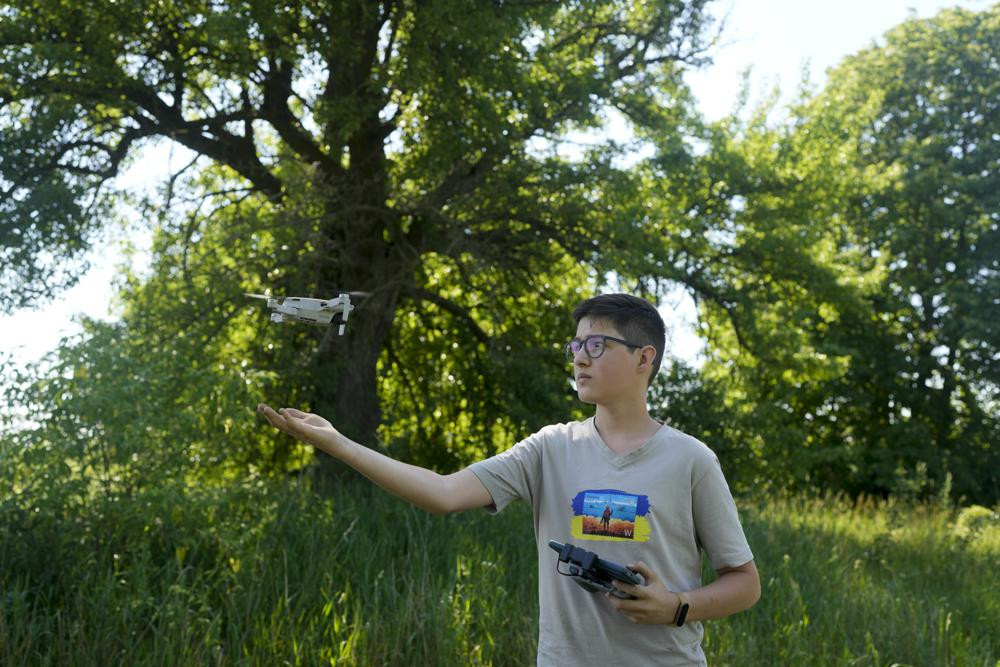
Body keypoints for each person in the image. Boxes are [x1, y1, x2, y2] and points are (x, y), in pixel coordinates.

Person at [258, 293, 759, 666]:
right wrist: (337, 443)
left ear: (644, 358)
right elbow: (443, 492)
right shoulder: (549, 448)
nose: (579, 356)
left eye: (598, 344)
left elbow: (744, 583)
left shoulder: (691, 460)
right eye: (576, 344)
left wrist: (675, 607)